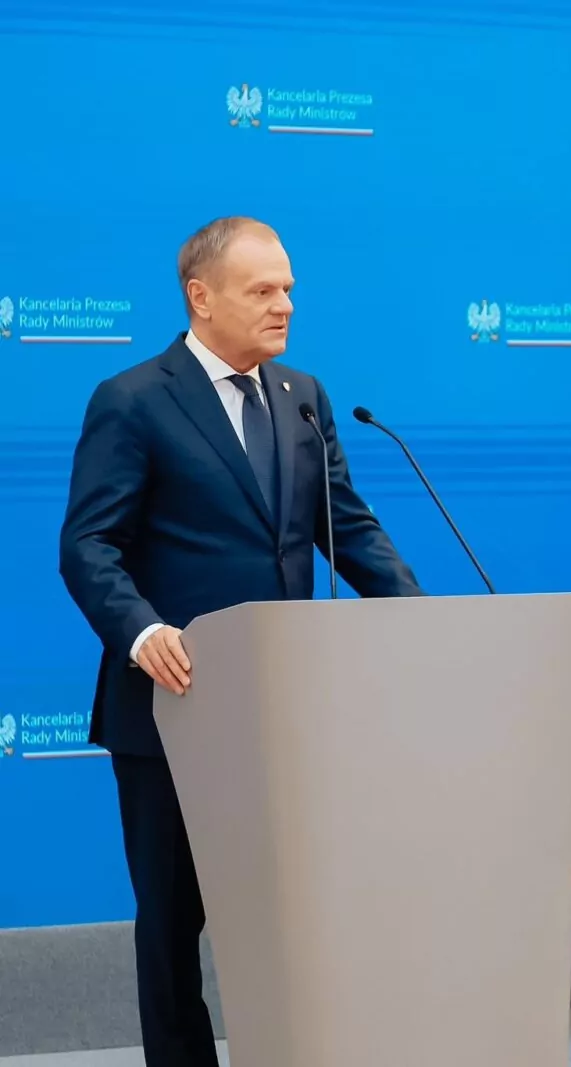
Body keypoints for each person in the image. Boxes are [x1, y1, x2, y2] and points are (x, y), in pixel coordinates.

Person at [57, 217, 423, 1067]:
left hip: (285, 712)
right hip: (175, 709)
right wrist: (141, 628)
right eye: (263, 289)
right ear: (201, 295)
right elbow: (88, 544)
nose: (284, 303)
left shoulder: (303, 396)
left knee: (284, 919)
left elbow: (348, 526)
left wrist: (416, 613)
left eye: (288, 286)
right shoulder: (135, 398)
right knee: (175, 922)